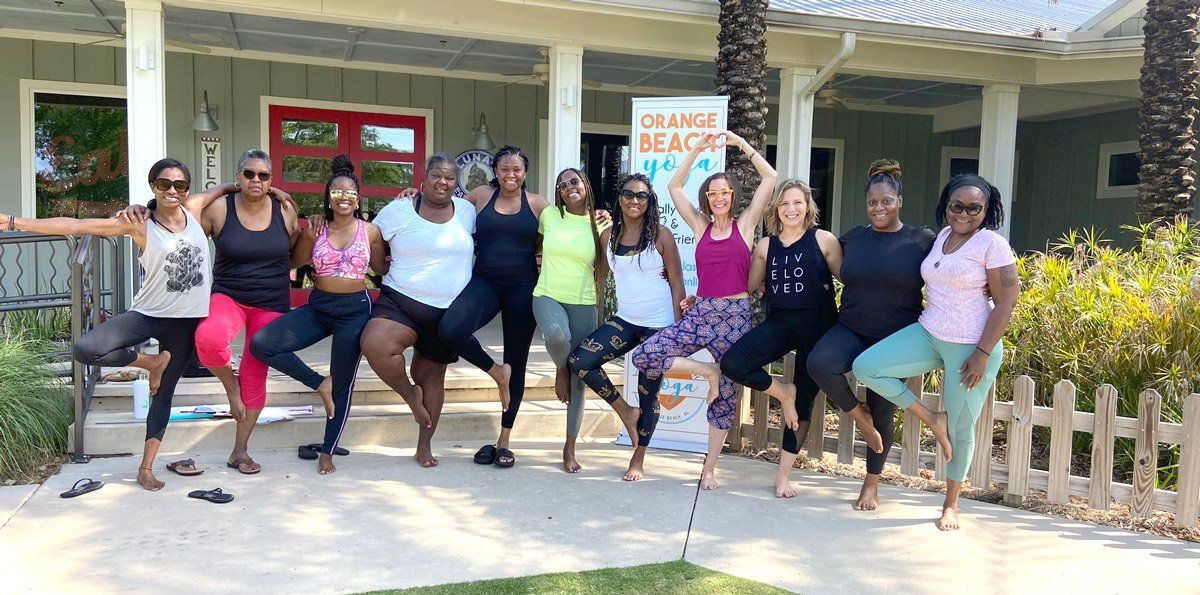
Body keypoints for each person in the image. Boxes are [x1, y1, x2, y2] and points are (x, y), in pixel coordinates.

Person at [1, 158, 209, 491]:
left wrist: (282, 198)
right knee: (87, 348)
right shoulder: (139, 224)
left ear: (187, 189)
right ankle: (151, 362)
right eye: (164, 183)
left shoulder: (196, 211)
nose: (172, 190)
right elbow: (76, 225)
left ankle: (146, 467)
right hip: (148, 313)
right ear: (153, 185)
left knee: (164, 395)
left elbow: (231, 187)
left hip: (185, 322)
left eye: (180, 185)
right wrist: (12, 222)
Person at [853, 174, 1020, 531]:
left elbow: (1006, 302)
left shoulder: (992, 244)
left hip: (971, 346)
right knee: (867, 367)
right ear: (946, 205)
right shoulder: (942, 236)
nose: (963, 213)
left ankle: (952, 505)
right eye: (956, 206)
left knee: (962, 428)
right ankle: (932, 417)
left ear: (987, 210)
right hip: (929, 333)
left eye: (974, 208)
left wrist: (982, 353)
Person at [716, 178, 878, 498]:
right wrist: (703, 297)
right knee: (733, 362)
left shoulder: (824, 240)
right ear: (776, 208)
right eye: (785, 203)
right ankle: (782, 392)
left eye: (797, 203)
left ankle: (783, 475)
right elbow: (745, 287)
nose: (791, 209)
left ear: (807, 207)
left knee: (803, 405)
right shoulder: (766, 246)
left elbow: (851, 279)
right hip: (779, 324)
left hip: (819, 331)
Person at [631, 130, 775, 490]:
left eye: (724, 193)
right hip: (701, 313)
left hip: (735, 316)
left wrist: (739, 144)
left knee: (727, 394)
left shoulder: (745, 226)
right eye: (712, 194)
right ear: (707, 199)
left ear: (733, 197)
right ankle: (707, 371)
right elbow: (674, 187)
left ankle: (709, 468)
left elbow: (770, 178)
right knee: (647, 354)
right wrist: (697, 148)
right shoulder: (700, 226)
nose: (719, 198)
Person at [806, 159, 936, 510]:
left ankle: (871, 483)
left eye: (886, 201)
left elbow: (949, 271)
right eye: (872, 203)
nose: (879, 208)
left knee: (883, 410)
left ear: (900, 201)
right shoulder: (855, 238)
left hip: (895, 340)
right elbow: (816, 261)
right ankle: (855, 412)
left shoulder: (921, 240)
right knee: (819, 364)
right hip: (852, 328)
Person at [249, 155, 387, 475]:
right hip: (319, 306)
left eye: (349, 193)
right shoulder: (317, 228)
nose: (343, 198)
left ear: (358, 199)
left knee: (343, 383)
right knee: (262, 343)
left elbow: (381, 270)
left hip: (355, 311)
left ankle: (327, 450)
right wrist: (306, 235)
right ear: (328, 198)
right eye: (336, 193)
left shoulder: (371, 232)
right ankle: (317, 383)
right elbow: (294, 263)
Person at [359, 153, 476, 467]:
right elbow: (371, 235)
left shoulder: (467, 211)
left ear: (457, 183)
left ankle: (425, 445)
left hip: (448, 312)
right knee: (376, 343)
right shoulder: (400, 209)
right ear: (424, 179)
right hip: (401, 300)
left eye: (450, 177)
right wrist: (377, 265)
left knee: (430, 376)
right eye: (437, 175)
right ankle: (410, 396)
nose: (443, 182)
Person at [435, 146, 547, 469]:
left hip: (522, 288)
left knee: (518, 361)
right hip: (484, 282)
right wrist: (414, 197)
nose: (510, 175)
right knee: (450, 328)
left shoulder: (538, 204)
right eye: (504, 169)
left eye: (517, 169)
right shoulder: (480, 195)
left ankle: (504, 439)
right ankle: (495, 371)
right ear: (495, 171)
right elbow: (443, 209)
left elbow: (560, 233)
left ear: (525, 172)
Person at [568, 173, 685, 481]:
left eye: (642, 196)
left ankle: (639, 457)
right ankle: (624, 410)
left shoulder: (662, 236)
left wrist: (677, 332)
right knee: (580, 360)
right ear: (619, 199)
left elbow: (676, 283)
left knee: (649, 393)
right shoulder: (609, 237)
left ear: (650, 202)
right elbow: (600, 274)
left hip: (658, 327)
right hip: (626, 321)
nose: (635, 200)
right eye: (629, 194)